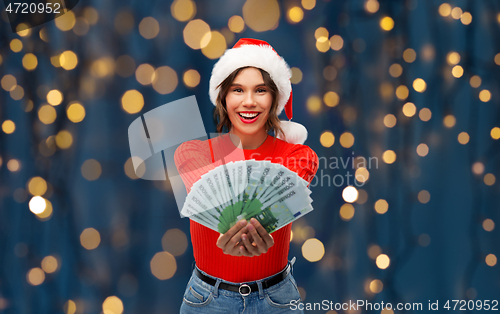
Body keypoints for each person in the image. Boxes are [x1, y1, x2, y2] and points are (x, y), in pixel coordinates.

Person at [174, 38, 319, 313]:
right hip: (205, 300)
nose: (249, 102)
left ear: (275, 98)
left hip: (277, 300)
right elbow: (218, 201)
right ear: (223, 98)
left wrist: (246, 226)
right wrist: (234, 225)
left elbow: (283, 196)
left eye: (261, 90)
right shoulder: (192, 153)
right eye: (237, 90)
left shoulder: (299, 156)